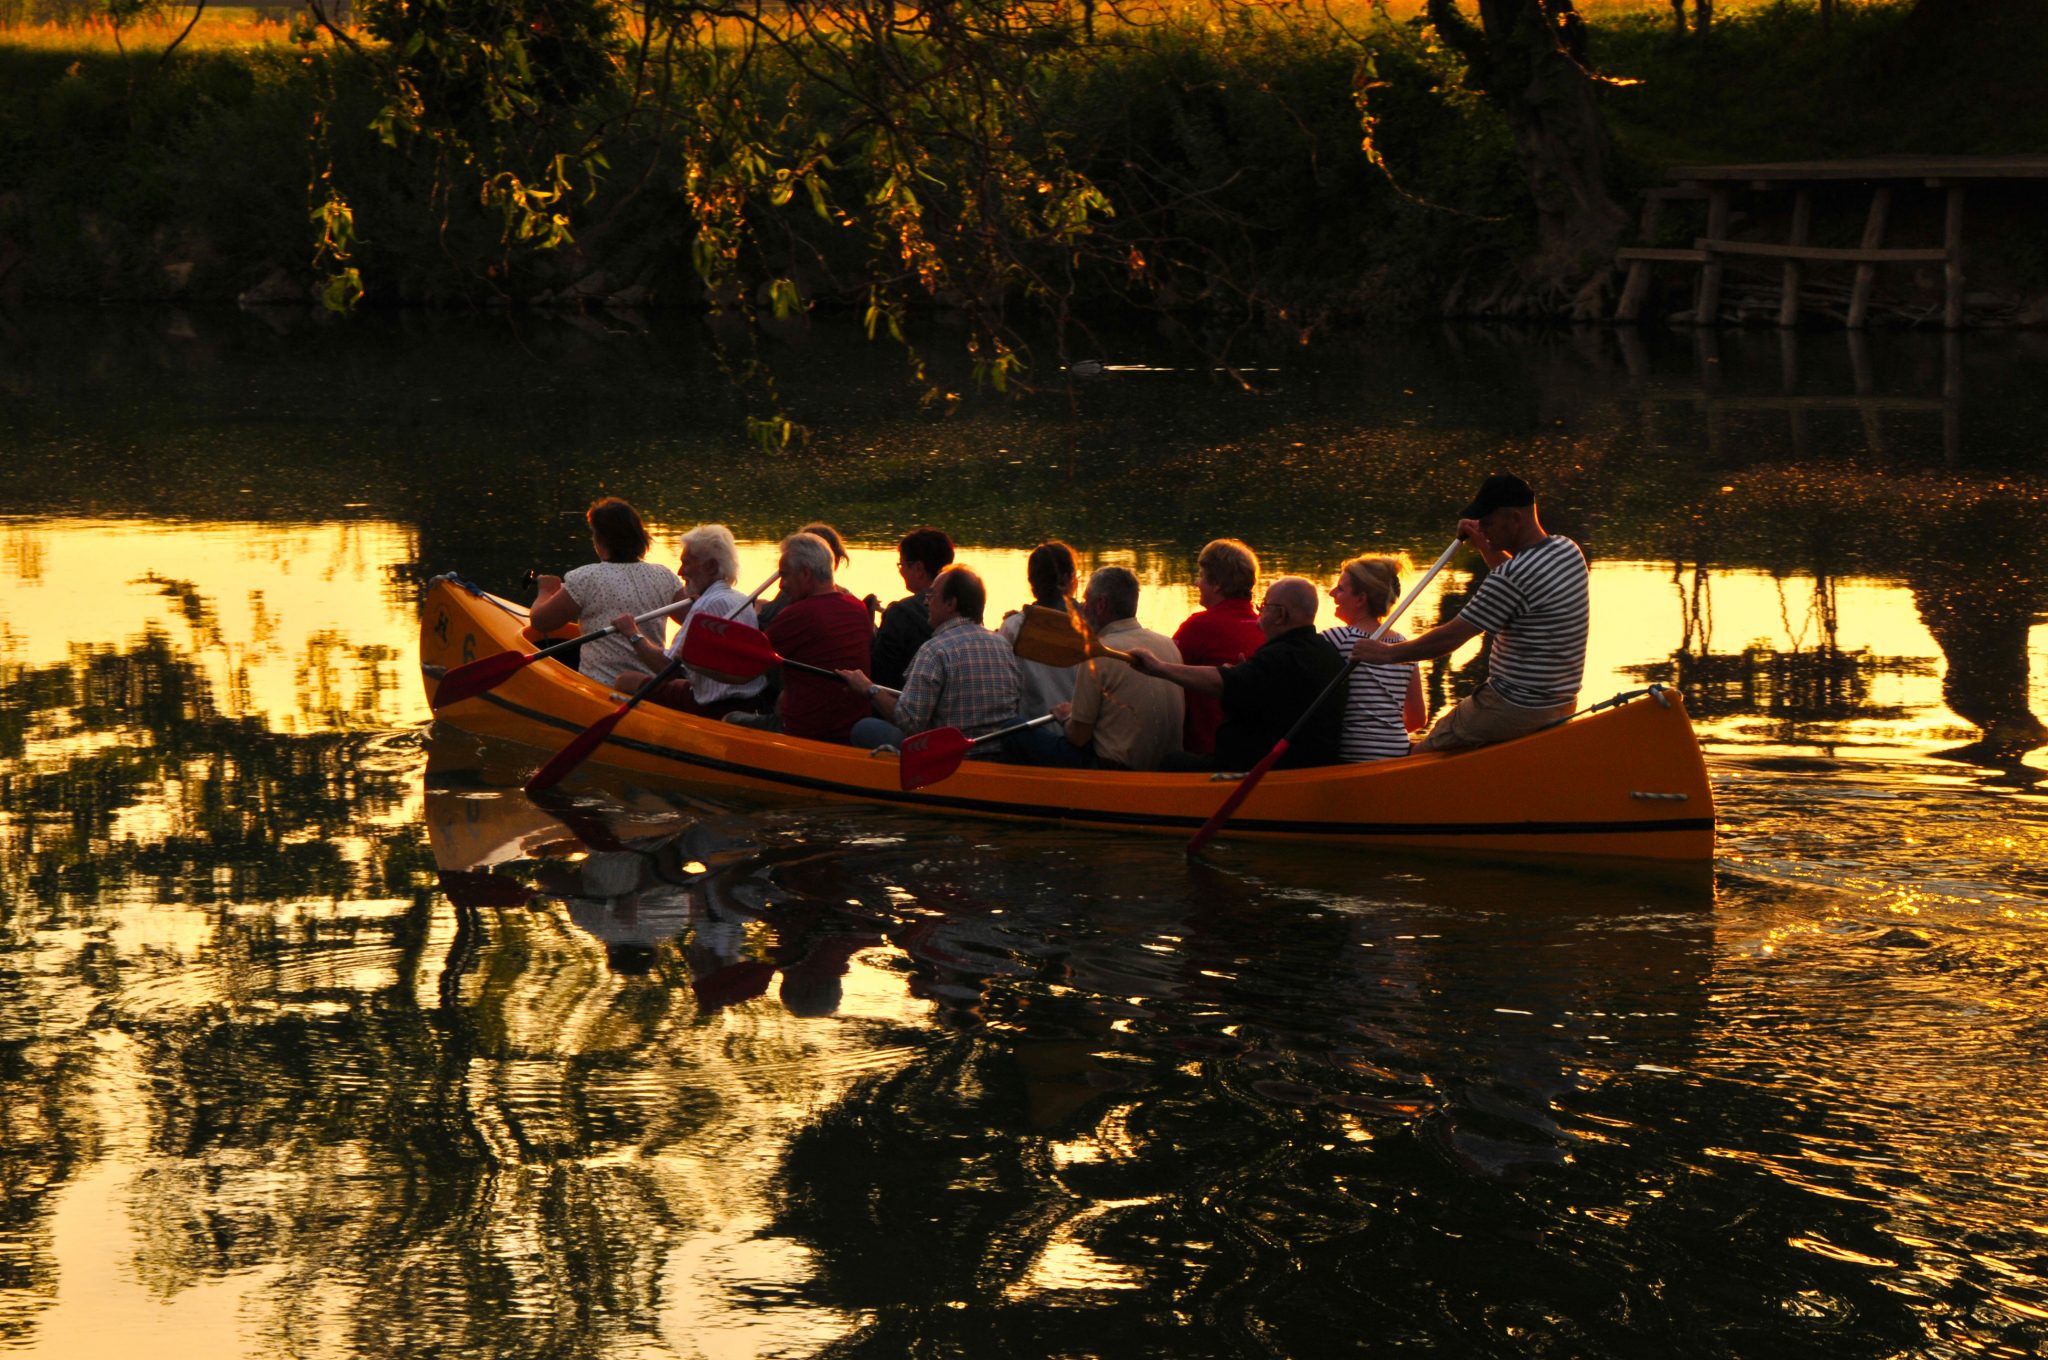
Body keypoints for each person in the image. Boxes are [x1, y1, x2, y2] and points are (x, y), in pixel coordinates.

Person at [1351, 474, 1589, 752]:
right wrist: (1484, 545)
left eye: (1488, 522)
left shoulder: (1513, 576)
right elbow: (1518, 588)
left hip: (1512, 706)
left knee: (1423, 750)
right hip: (1559, 702)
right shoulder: (1566, 550)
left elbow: (1452, 636)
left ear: (1514, 519)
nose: (1483, 528)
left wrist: (1385, 654)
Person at [1128, 576, 1345, 770]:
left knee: (1172, 763)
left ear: (1281, 615)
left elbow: (1221, 683)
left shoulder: (1279, 657)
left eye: (1264, 607)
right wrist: (1244, 674)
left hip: (1259, 773)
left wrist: (1158, 668)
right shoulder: (1327, 654)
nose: (1259, 617)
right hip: (1309, 765)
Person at [1006, 566, 1185, 770]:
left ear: (1100, 605)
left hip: (1111, 768)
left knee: (1013, 730)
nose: (1082, 606)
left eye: (1086, 599)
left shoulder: (1098, 654)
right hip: (1164, 765)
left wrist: (1066, 719)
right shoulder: (1168, 645)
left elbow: (1078, 737)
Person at [837, 565, 1020, 750]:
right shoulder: (1003, 646)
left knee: (864, 728)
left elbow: (909, 722)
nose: (926, 602)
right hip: (996, 753)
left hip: (947, 757)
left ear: (951, 604)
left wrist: (870, 689)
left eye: (931, 596)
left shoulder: (935, 650)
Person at [724, 531, 876, 742]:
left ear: (805, 574)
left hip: (806, 732)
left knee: (731, 719)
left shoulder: (797, 614)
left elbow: (743, 674)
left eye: (785, 575)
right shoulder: (857, 607)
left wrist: (694, 662)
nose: (781, 584)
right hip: (850, 728)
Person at [608, 523, 769, 718]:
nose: (680, 571)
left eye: (687, 563)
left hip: (714, 706)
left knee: (626, 681)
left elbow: (667, 670)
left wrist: (632, 633)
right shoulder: (740, 599)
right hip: (749, 700)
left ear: (711, 567)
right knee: (661, 683)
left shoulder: (706, 606)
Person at [530, 497, 682, 688]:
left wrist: (545, 591)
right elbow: (694, 620)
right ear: (639, 537)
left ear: (600, 540)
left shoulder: (585, 578)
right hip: (648, 687)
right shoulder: (664, 576)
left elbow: (541, 622)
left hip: (598, 689)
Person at [1321, 556, 1427, 761]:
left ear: (1361, 599)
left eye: (1340, 588)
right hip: (1396, 752)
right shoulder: (1405, 646)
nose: (1332, 593)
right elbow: (1417, 718)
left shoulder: (1337, 639)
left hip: (1353, 755)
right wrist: (1383, 735)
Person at [1171, 538, 1267, 757]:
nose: (1197, 583)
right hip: (1254, 748)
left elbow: (1163, 674)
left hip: (1208, 749)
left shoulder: (1199, 626)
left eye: (1202, 577)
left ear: (1217, 585)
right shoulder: (1266, 626)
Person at [995, 540, 1082, 718]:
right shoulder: (1092, 624)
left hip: (1034, 732)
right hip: (1082, 731)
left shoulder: (1013, 627)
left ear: (1031, 582)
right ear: (1068, 579)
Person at [870, 527, 955, 690]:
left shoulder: (899, 613)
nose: (900, 570)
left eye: (901, 564)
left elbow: (879, 673)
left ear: (918, 568)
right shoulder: (965, 607)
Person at [757, 521, 852, 630]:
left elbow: (765, 622)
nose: (781, 584)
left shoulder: (793, 598)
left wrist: (756, 609)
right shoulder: (853, 604)